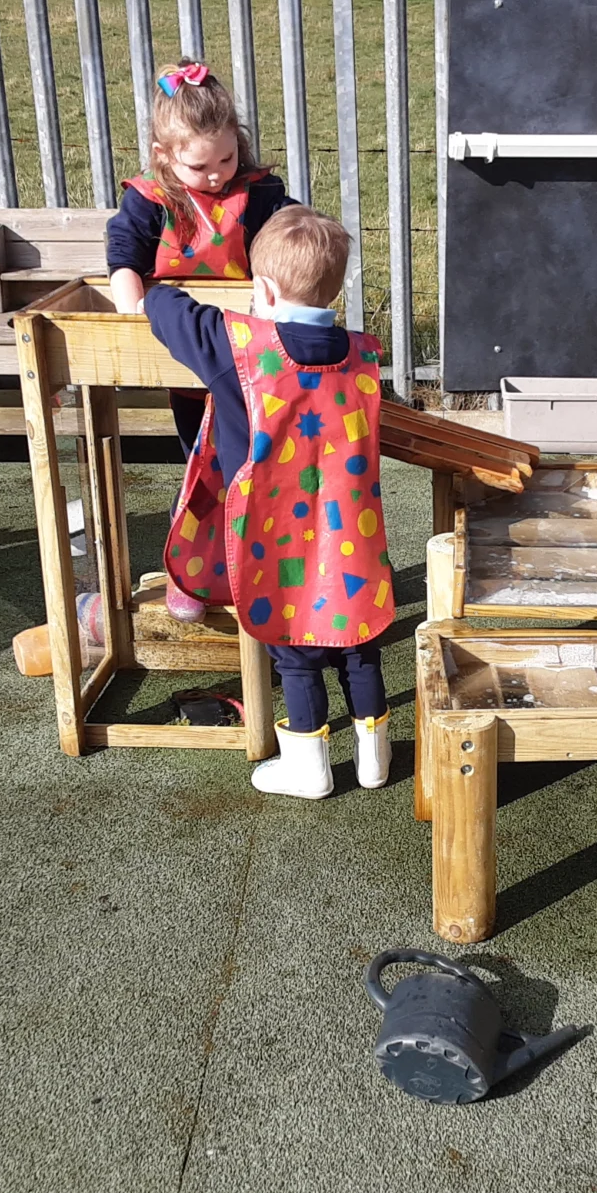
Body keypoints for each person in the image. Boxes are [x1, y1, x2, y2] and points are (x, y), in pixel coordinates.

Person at [145, 206, 391, 800]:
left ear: (263, 289)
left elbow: (165, 310)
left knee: (295, 651)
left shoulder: (239, 347)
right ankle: (374, 760)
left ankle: (308, 768)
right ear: (337, 287)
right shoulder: (363, 354)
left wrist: (151, 291)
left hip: (271, 534)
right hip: (349, 534)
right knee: (358, 641)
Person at [106, 60, 295, 623]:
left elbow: (289, 242)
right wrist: (132, 313)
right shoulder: (151, 201)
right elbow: (124, 258)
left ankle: (264, 569)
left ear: (238, 139)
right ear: (164, 156)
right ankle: (192, 572)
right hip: (188, 351)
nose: (216, 175)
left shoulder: (260, 194)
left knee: (261, 466)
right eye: (199, 166)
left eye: (227, 159)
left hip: (253, 356)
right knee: (202, 463)